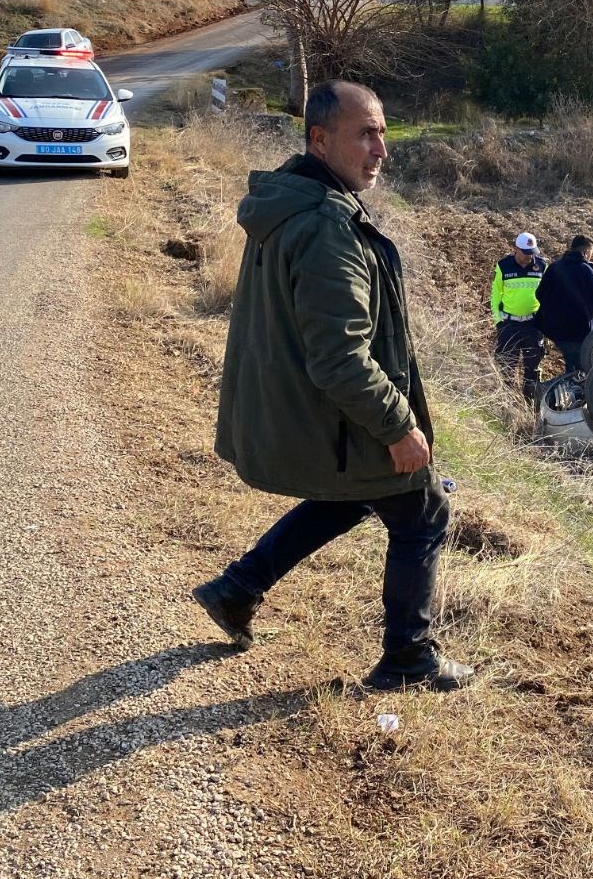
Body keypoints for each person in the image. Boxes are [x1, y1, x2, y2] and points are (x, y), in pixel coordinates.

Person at [192, 80, 473, 692]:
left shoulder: (297, 202)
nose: (381, 149)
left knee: (352, 495)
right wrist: (398, 426)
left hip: (311, 412)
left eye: (383, 132)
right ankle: (409, 659)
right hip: (332, 414)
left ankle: (237, 588)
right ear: (319, 140)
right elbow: (340, 356)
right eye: (365, 134)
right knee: (422, 508)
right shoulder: (325, 226)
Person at [536, 234, 593, 375]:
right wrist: (585, 314)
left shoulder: (554, 267)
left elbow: (540, 294)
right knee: (580, 370)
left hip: (554, 330)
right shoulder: (586, 271)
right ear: (586, 252)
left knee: (571, 362)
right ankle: (573, 392)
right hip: (579, 331)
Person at [491, 231, 547, 400]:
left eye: (533, 253)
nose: (530, 257)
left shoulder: (542, 266)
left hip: (533, 324)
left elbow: (548, 295)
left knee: (533, 366)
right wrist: (498, 321)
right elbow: (495, 295)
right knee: (506, 365)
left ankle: (530, 401)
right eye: (526, 253)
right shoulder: (503, 266)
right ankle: (506, 401)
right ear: (516, 249)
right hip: (510, 325)